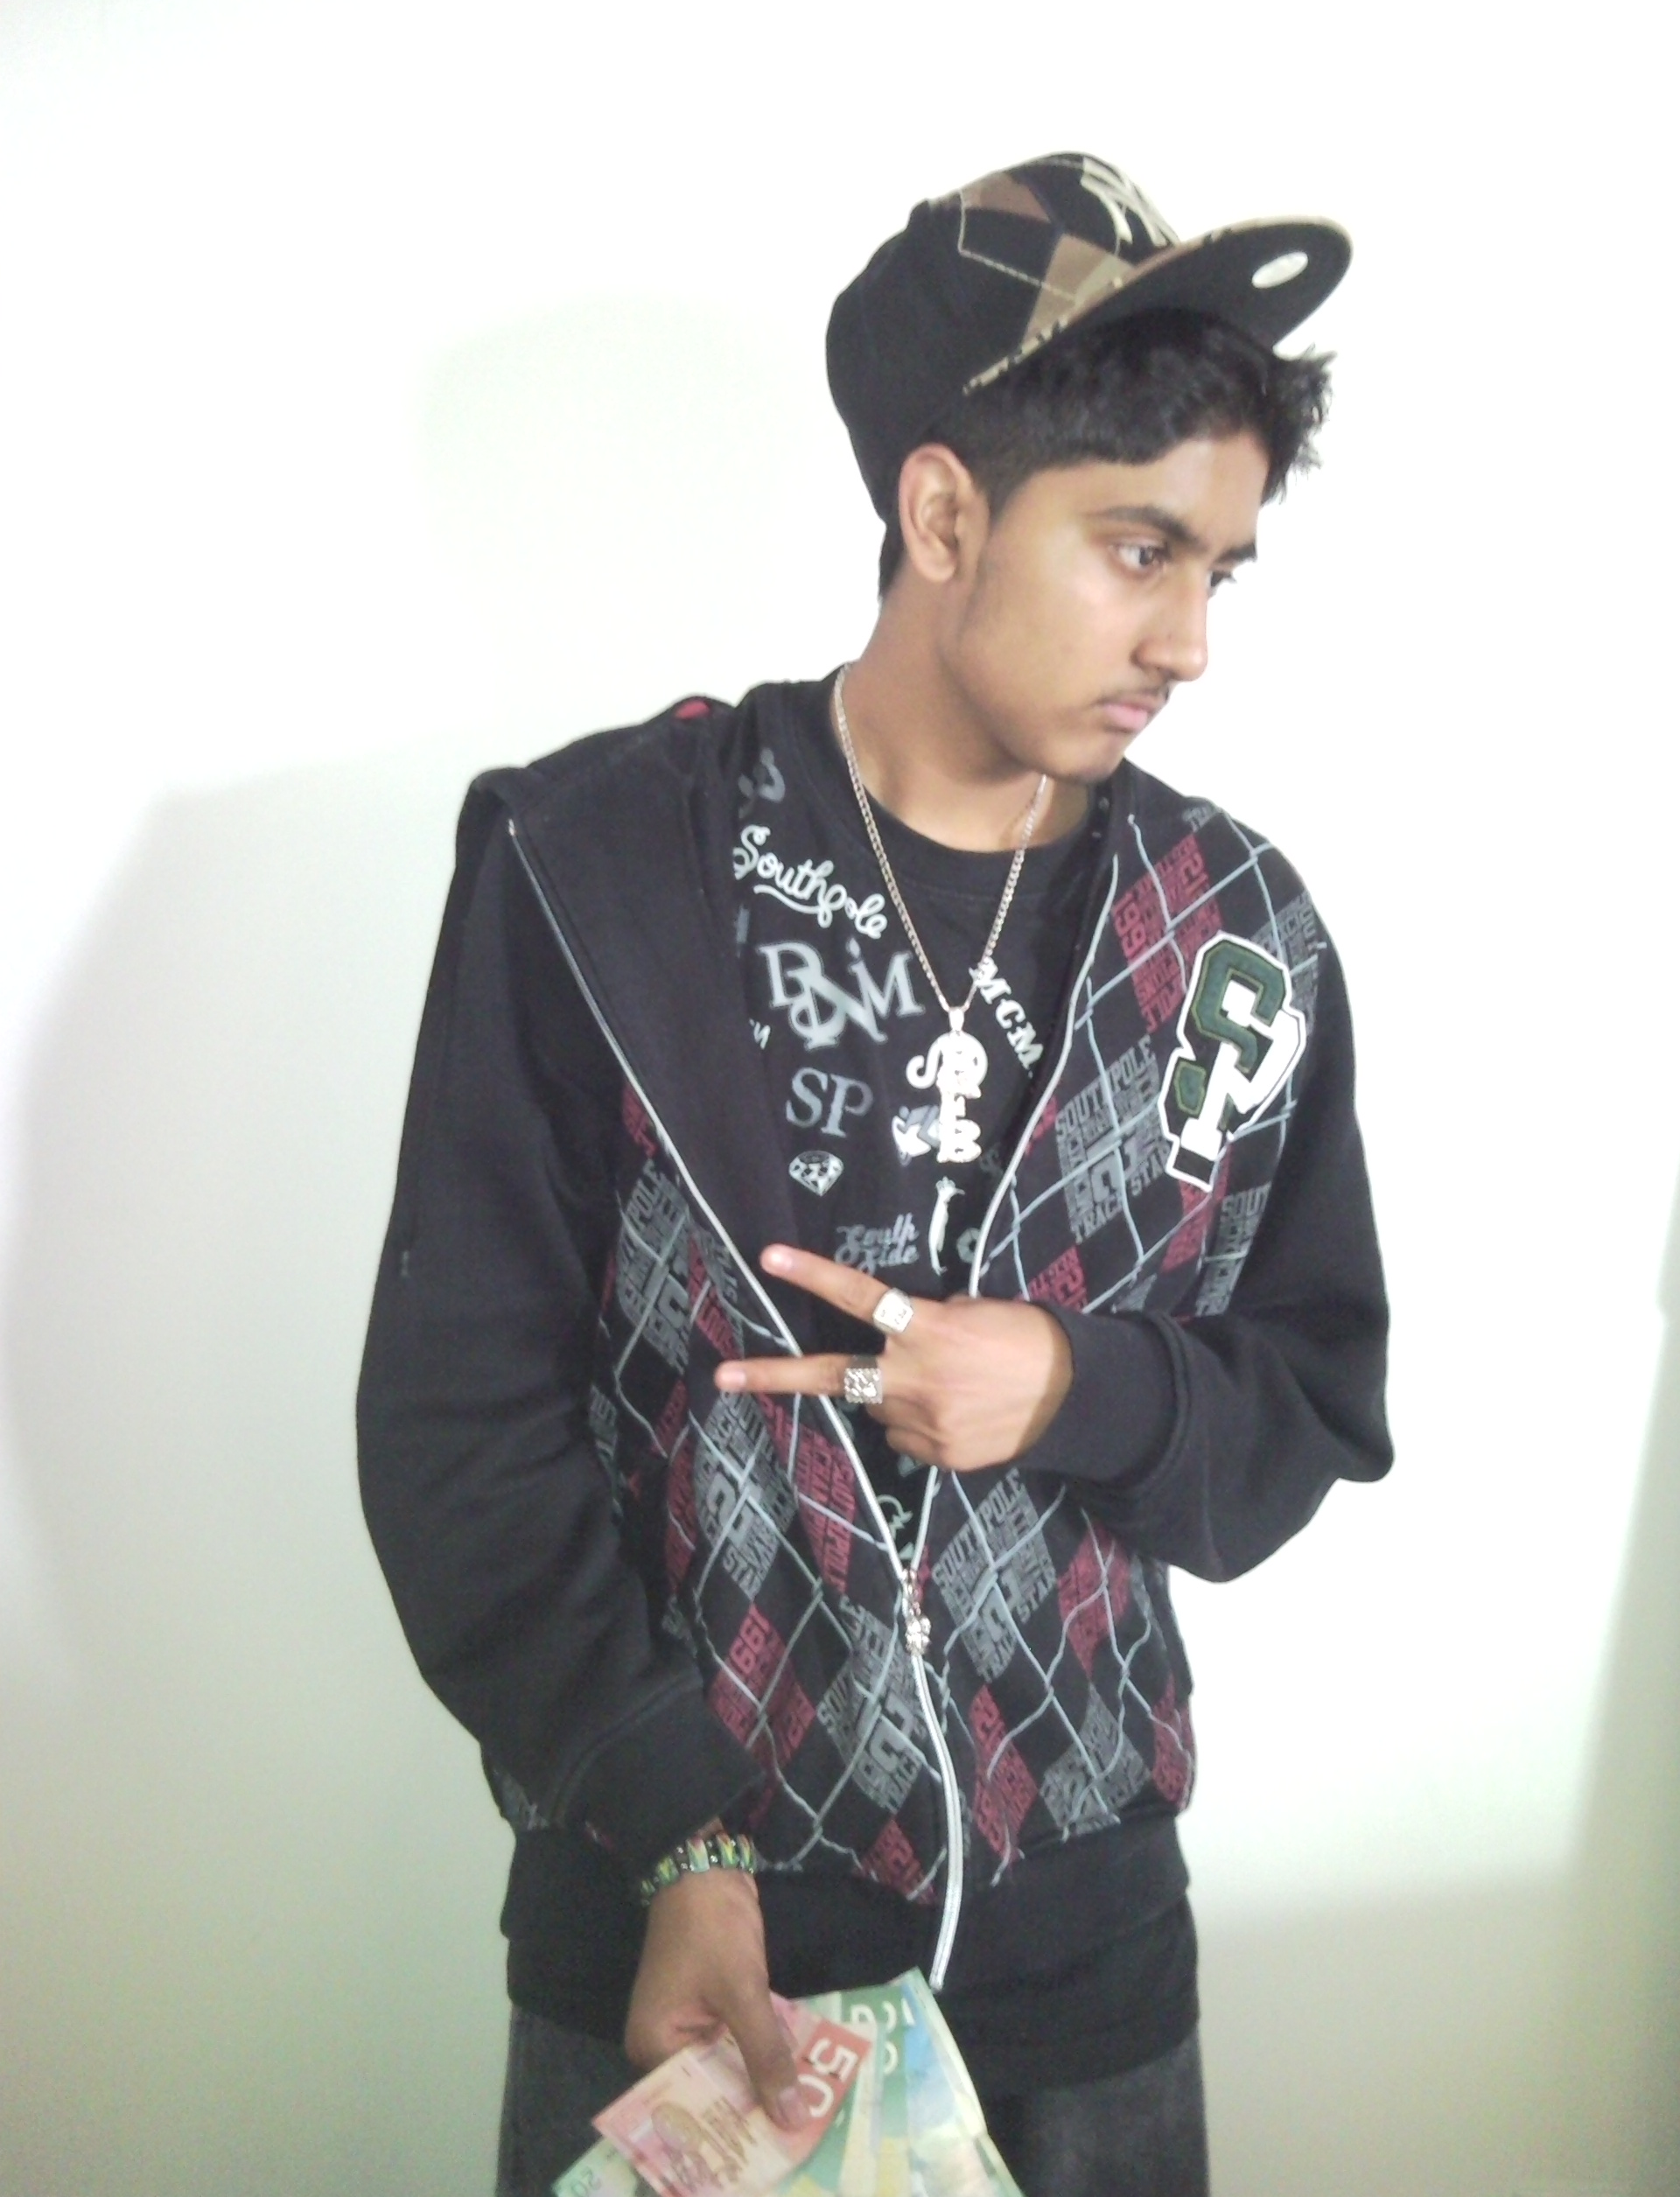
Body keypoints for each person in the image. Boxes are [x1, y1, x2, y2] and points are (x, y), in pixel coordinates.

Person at [358, 150, 1392, 2197]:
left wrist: (1080, 1384)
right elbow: (458, 1417)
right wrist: (673, 1819)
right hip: (673, 1944)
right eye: (1138, 548)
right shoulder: (600, 868)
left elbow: (1310, 1396)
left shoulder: (1235, 938)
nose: (1189, 637)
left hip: (1085, 1972)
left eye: (1221, 568)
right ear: (942, 516)